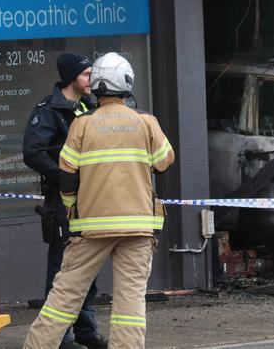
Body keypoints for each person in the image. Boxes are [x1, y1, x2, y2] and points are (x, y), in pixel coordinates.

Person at [23, 52, 175, 349]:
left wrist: (70, 207)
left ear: (98, 84)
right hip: (138, 226)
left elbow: (67, 176)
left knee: (64, 295)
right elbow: (165, 161)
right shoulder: (146, 122)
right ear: (127, 81)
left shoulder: (81, 124)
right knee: (130, 303)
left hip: (90, 226)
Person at [23, 53, 108, 349]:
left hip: (90, 198)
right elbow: (33, 152)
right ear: (73, 77)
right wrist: (64, 177)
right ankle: (61, 335)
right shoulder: (48, 111)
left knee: (89, 264)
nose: (91, 80)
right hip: (62, 200)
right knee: (62, 268)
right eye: (87, 75)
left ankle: (86, 330)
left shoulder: (90, 107)